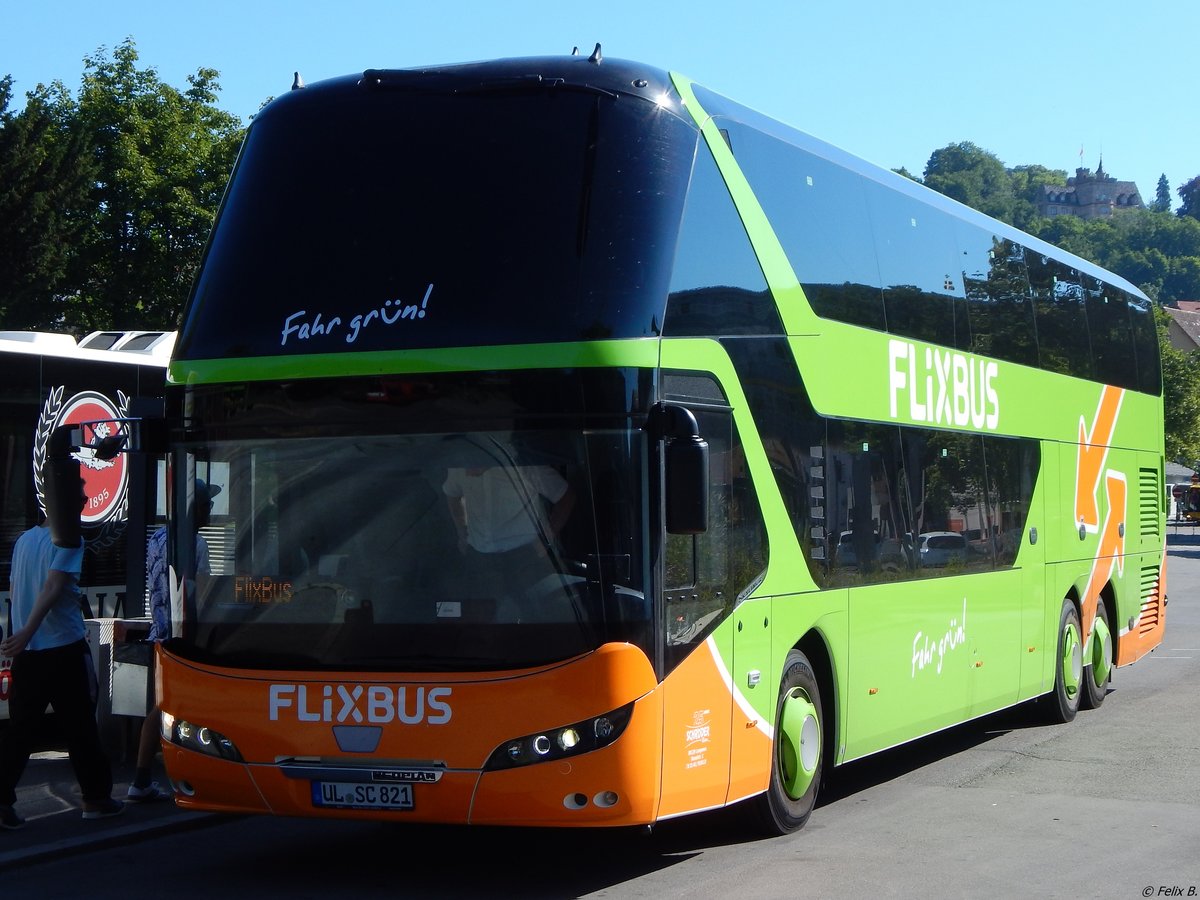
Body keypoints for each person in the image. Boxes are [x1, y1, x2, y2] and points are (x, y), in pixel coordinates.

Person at [0, 477, 124, 828]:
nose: (86, 499)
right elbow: (54, 587)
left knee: (20, 731)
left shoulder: (24, 540)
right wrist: (26, 632)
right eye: (80, 493)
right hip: (63, 648)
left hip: (30, 653)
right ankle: (96, 798)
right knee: (81, 726)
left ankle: (2, 802)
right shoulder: (69, 540)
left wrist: (20, 634)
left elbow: (16, 589)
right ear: (63, 502)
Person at [128, 479, 219, 802]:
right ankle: (150, 778)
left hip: (159, 633)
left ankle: (143, 777)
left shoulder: (157, 538)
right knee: (171, 706)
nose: (211, 510)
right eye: (207, 504)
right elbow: (203, 592)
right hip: (184, 636)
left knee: (162, 705)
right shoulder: (195, 543)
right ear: (194, 508)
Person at [443, 462, 574, 600]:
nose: (469, 473)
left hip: (526, 557)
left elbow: (565, 496)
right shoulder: (460, 463)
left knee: (534, 610)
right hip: (480, 557)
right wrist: (461, 532)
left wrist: (548, 536)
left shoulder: (526, 466)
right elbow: (452, 494)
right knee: (485, 614)